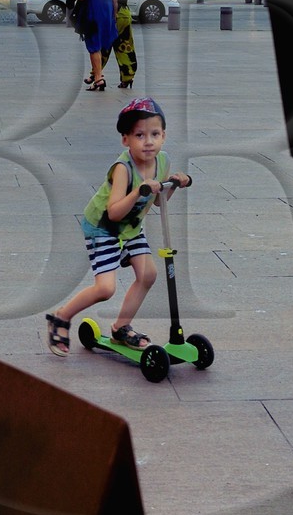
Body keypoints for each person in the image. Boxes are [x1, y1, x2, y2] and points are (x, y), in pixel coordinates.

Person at [44, 96, 193, 356]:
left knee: (148, 275)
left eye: (154, 134)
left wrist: (172, 184)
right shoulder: (123, 168)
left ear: (164, 136)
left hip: (131, 227)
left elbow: (158, 202)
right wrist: (137, 192)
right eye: (139, 135)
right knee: (105, 289)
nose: (148, 141)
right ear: (126, 139)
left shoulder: (162, 161)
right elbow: (113, 212)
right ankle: (61, 316)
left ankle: (121, 328)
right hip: (103, 227)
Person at [76, 0, 119, 91]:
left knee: (93, 47)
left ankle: (99, 78)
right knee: (99, 47)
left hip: (93, 15)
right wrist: (114, 16)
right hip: (107, 15)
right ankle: (96, 76)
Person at [102, 0, 139, 89]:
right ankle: (128, 77)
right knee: (125, 47)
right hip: (125, 14)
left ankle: (96, 75)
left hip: (113, 14)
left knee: (103, 47)